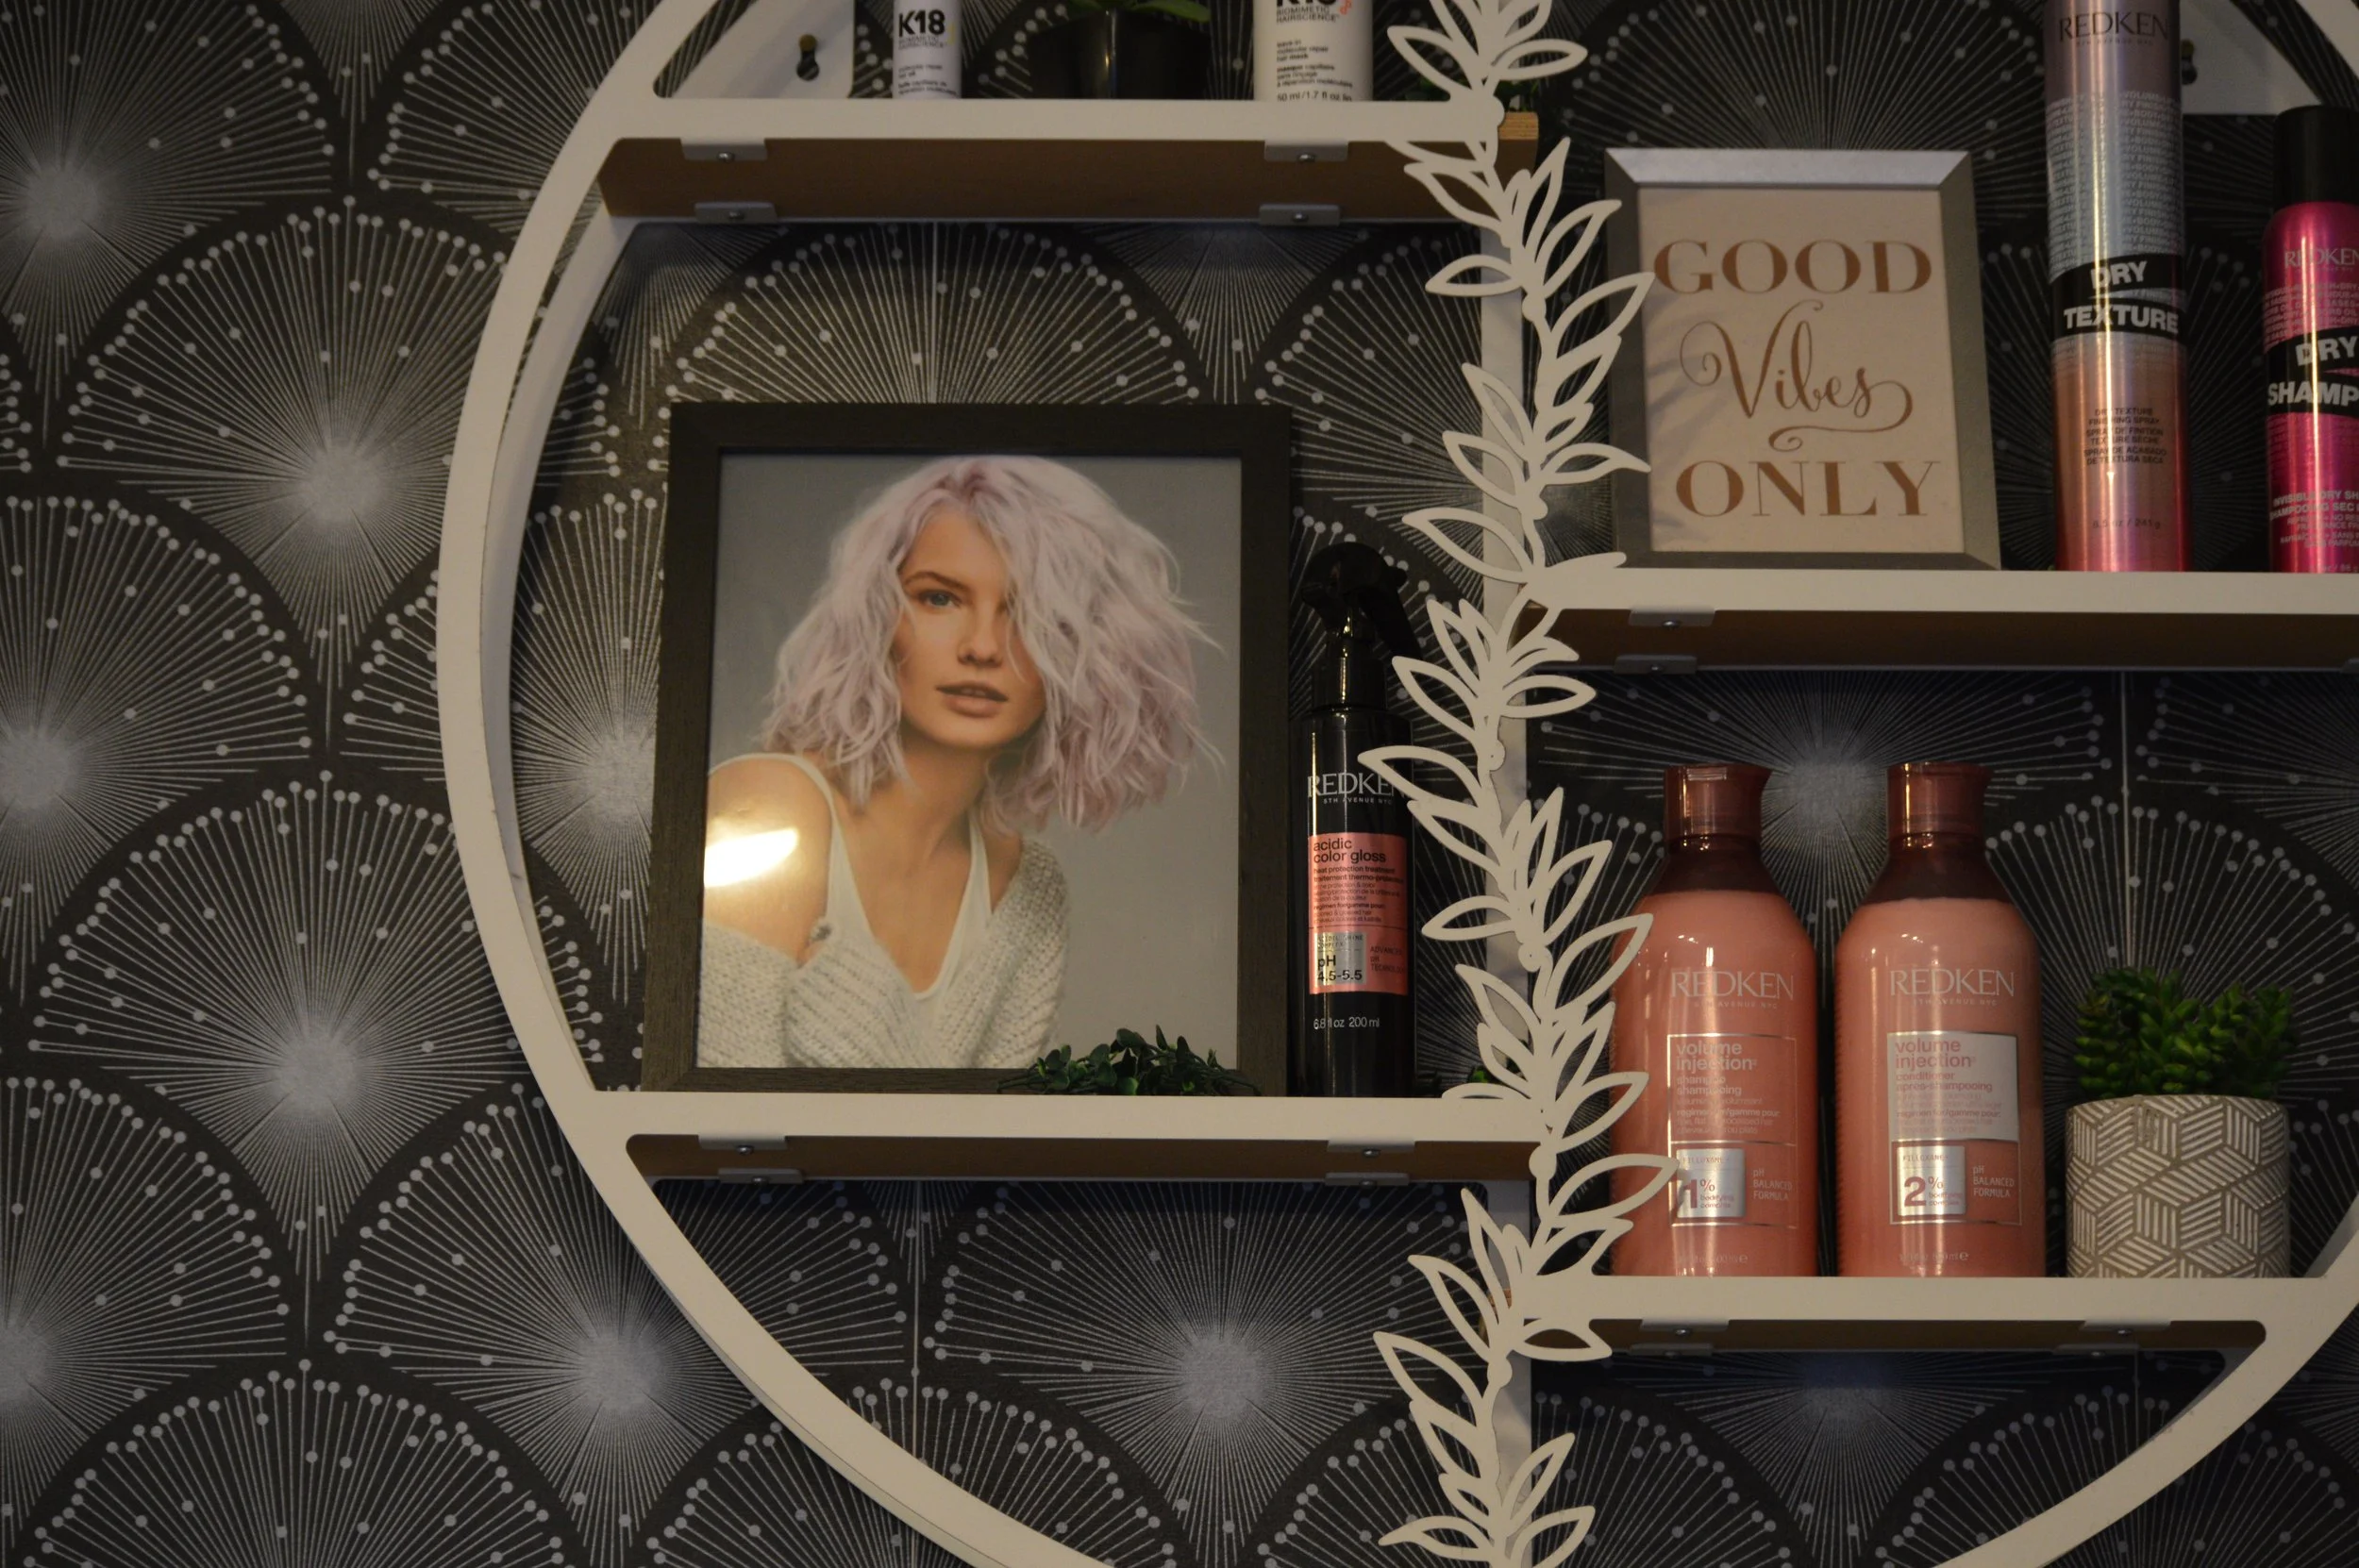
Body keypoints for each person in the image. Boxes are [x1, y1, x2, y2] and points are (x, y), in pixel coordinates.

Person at [697, 456, 1205, 1071]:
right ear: (877, 618)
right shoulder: (771, 811)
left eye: (1026, 613)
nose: (982, 647)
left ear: (1086, 653)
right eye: (939, 598)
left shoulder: (1029, 890)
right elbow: (723, 1125)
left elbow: (983, 1146)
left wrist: (862, 1015)